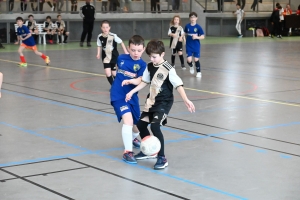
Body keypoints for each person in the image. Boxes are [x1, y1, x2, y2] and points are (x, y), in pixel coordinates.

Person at [125, 39, 196, 170]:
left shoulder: (168, 68)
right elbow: (144, 81)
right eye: (150, 56)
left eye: (154, 57)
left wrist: (186, 100)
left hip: (164, 102)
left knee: (155, 126)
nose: (152, 59)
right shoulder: (149, 66)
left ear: (162, 54)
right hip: (152, 101)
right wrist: (132, 91)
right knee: (141, 124)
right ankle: (150, 150)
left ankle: (162, 157)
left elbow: (178, 85)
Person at [110, 35, 147, 164]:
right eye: (132, 50)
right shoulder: (121, 58)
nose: (135, 53)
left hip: (132, 96)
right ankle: (127, 152)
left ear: (143, 49)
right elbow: (116, 70)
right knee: (128, 121)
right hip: (118, 95)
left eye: (138, 50)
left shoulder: (143, 65)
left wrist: (130, 80)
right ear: (128, 48)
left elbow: (140, 80)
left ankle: (131, 138)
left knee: (137, 126)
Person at [96, 20, 128, 86]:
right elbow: (99, 45)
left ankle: (118, 85)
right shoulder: (99, 37)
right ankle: (113, 86)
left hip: (114, 57)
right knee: (108, 73)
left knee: (114, 73)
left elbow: (121, 42)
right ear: (101, 28)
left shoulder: (113, 36)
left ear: (109, 27)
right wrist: (98, 53)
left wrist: (125, 51)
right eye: (104, 27)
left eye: (107, 27)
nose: (105, 29)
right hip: (105, 58)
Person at [184, 12, 205, 78]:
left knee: (196, 59)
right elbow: (184, 33)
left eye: (194, 17)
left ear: (196, 18)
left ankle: (198, 72)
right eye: (191, 17)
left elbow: (203, 36)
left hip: (196, 45)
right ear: (189, 18)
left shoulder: (198, 27)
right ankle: (191, 66)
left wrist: (197, 37)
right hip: (189, 45)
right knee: (189, 60)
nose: (193, 18)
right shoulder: (187, 26)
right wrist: (182, 38)